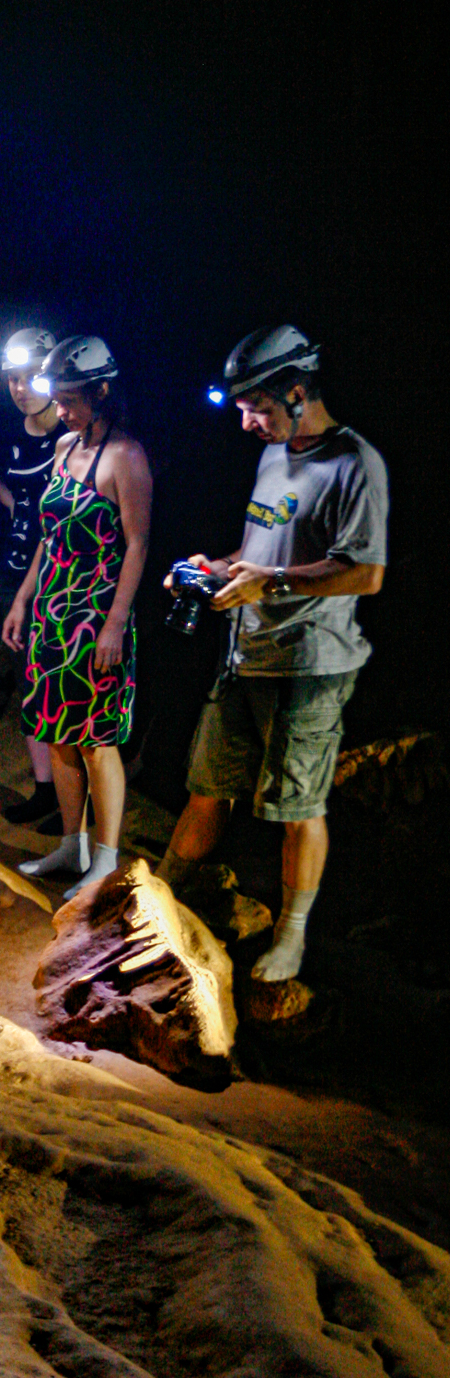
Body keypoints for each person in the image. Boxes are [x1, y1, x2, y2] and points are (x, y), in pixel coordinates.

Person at [156, 325, 387, 1005]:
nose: (245, 421)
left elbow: (365, 572)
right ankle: (159, 897)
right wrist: (213, 569)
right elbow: (261, 548)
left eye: (255, 406)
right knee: (208, 784)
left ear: (297, 389)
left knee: (296, 805)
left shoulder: (354, 463)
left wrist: (272, 582)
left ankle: (292, 933)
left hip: (310, 663)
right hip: (246, 653)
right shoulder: (275, 455)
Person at [3, 336, 152, 896]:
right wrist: (23, 600)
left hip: (96, 613)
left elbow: (137, 545)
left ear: (102, 391)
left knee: (96, 739)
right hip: (55, 612)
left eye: (69, 399)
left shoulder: (126, 457)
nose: (60, 410)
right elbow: (50, 535)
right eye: (57, 398)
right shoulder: (65, 447)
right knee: (57, 731)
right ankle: (72, 845)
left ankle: (106, 857)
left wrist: (115, 623)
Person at [0, 328, 63, 826]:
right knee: (29, 683)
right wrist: (11, 503)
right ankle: (46, 789)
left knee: (62, 685)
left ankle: (79, 794)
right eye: (12, 378)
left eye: (31, 376)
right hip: (15, 568)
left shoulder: (70, 435)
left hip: (66, 576)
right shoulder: (8, 435)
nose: (20, 387)